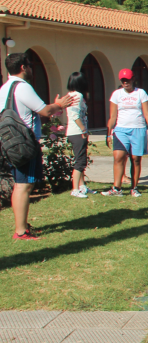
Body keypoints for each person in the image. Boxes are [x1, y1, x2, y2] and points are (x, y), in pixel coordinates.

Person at [1, 53, 76, 239]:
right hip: (24, 143)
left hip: (10, 143)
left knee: (20, 184)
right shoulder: (22, 87)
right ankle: (21, 231)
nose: (31, 69)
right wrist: (59, 104)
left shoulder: (4, 88)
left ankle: (22, 225)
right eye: (29, 65)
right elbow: (45, 110)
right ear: (23, 67)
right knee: (23, 185)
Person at [103, 68, 148, 197]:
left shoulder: (141, 93)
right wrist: (108, 133)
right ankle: (116, 188)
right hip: (121, 130)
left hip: (138, 129)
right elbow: (112, 116)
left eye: (128, 80)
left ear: (133, 79)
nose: (125, 83)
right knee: (118, 157)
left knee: (135, 159)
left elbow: (147, 114)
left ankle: (134, 188)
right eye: (123, 80)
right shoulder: (116, 94)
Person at [64, 72, 90, 199]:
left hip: (74, 131)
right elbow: (75, 115)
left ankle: (82, 186)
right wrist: (83, 129)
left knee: (81, 158)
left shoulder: (70, 95)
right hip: (77, 132)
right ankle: (75, 189)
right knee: (80, 161)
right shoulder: (77, 96)